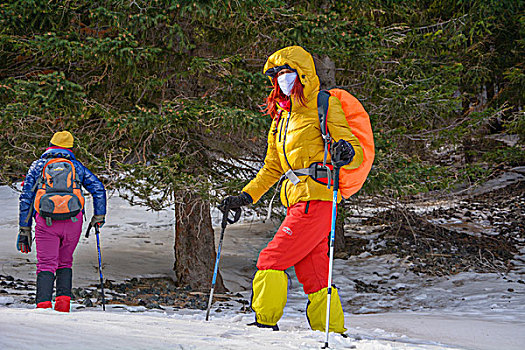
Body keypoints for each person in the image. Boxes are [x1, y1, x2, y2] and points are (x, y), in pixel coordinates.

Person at [220, 46, 363, 333]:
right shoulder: (281, 119)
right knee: (314, 273)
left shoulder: (324, 106)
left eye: (288, 72)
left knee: (271, 260)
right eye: (278, 75)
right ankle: (332, 329)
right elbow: (272, 168)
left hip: (317, 199)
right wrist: (244, 197)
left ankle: (264, 321)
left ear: (303, 75)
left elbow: (354, 150)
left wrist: (345, 152)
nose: (282, 79)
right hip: (297, 201)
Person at [17, 131, 107, 312]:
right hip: (73, 220)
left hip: (46, 221)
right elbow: (98, 188)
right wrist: (99, 216)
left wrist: (24, 229)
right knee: (65, 262)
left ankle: (43, 306)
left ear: (50, 145)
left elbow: (26, 197)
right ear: (70, 148)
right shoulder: (76, 166)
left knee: (46, 263)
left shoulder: (38, 166)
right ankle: (63, 306)